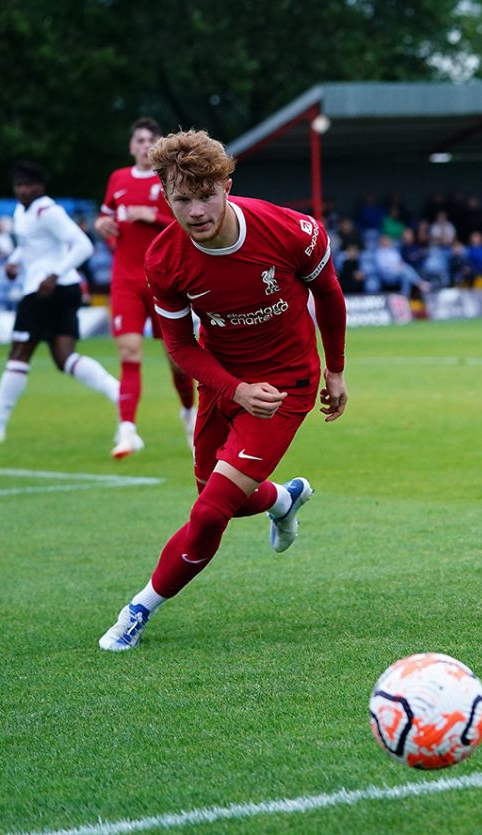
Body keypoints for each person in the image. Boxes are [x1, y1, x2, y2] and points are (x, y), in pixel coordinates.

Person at [98, 129, 348, 652]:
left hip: (285, 387)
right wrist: (233, 389)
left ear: (227, 185)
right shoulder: (165, 259)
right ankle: (283, 499)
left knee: (210, 512)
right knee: (222, 501)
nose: (195, 211)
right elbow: (181, 348)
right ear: (165, 196)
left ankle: (137, 609)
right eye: (181, 199)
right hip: (223, 381)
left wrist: (336, 370)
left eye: (206, 194)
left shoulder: (290, 230)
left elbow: (328, 295)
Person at [0, 162, 121, 445]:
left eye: (28, 185)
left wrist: (54, 273)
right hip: (61, 289)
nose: (23, 190)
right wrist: (13, 261)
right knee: (64, 357)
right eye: (18, 185)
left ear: (41, 187)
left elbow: (83, 244)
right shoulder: (22, 212)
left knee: (19, 353)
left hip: (46, 291)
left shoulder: (49, 212)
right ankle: (119, 393)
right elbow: (29, 245)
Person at [94, 117, 198, 458]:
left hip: (163, 279)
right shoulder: (118, 179)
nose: (143, 146)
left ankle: (188, 413)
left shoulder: (170, 179)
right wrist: (102, 224)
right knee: (129, 354)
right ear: (131, 146)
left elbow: (188, 222)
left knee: (178, 362)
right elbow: (106, 216)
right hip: (124, 280)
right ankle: (127, 431)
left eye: (149, 141)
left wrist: (151, 216)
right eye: (138, 140)